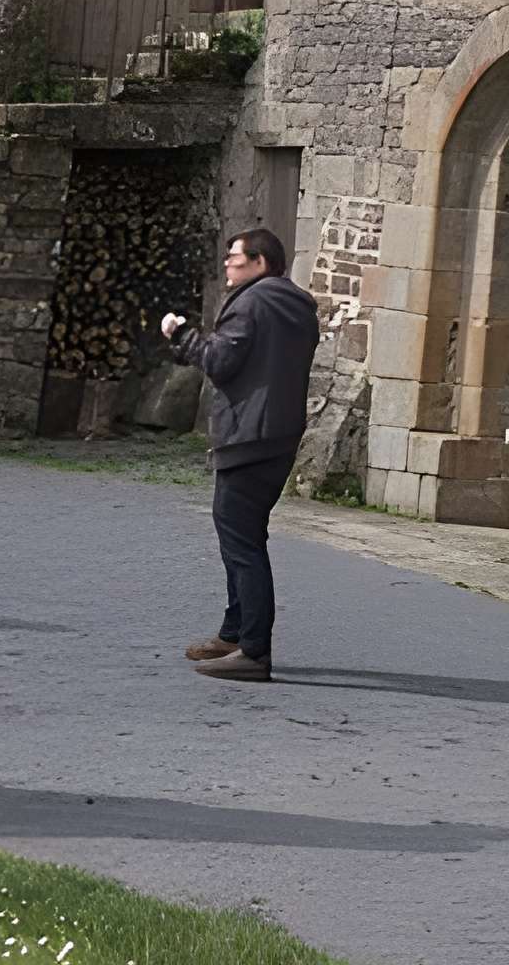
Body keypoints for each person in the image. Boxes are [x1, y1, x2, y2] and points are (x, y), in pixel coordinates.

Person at [162, 225, 318, 684]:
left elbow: (220, 362)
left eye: (234, 257)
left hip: (248, 436)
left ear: (259, 262)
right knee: (244, 536)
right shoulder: (295, 305)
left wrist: (180, 333)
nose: (227, 264)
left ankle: (253, 650)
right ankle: (234, 634)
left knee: (242, 544)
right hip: (277, 435)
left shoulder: (251, 303)